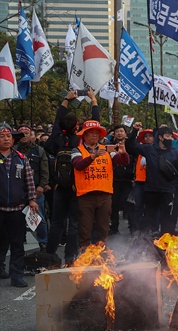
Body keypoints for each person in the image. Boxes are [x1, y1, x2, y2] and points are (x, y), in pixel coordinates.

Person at [45, 88, 100, 266]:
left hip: (59, 188)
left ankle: (50, 257)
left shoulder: (55, 139)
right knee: (74, 225)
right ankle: (70, 258)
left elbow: (56, 121)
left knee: (56, 223)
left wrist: (66, 100)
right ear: (77, 127)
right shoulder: (80, 141)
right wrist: (93, 100)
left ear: (61, 127)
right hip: (78, 188)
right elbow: (95, 125)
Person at [71, 120, 130, 248]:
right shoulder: (77, 150)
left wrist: (124, 153)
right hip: (85, 196)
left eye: (96, 133)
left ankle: (102, 257)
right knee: (85, 230)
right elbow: (78, 165)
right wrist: (93, 156)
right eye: (90, 133)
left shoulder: (107, 149)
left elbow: (123, 162)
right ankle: (84, 258)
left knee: (103, 230)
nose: (94, 135)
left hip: (105, 195)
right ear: (84, 135)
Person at [127, 123, 178, 236]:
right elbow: (130, 146)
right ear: (160, 137)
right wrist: (134, 131)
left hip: (167, 191)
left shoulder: (175, 152)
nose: (170, 139)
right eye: (167, 136)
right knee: (149, 218)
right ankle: (148, 244)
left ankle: (165, 244)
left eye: (171, 136)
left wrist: (170, 180)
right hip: (151, 191)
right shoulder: (149, 149)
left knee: (166, 219)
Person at [0, 124, 38, 287]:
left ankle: (17, 274)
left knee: (17, 243)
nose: (6, 139)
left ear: (13, 139)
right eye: (2, 136)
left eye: (9, 136)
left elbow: (29, 181)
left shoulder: (21, 158)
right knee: (1, 242)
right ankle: (1, 268)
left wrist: (32, 199)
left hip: (16, 209)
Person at [16, 125, 50, 252]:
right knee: (18, 219)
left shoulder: (39, 151)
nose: (24, 136)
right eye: (21, 133)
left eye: (27, 133)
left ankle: (43, 242)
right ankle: (20, 240)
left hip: (36, 190)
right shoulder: (13, 150)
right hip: (17, 191)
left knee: (39, 217)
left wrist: (41, 186)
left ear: (32, 135)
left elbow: (45, 170)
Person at [109, 125, 135, 235]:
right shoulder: (110, 146)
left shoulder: (130, 145)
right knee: (113, 205)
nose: (119, 133)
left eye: (121, 131)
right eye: (117, 131)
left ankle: (132, 228)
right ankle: (114, 228)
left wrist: (135, 130)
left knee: (128, 204)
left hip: (127, 180)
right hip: (114, 179)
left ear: (125, 133)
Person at [131, 128, 153, 237]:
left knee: (150, 207)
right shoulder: (139, 149)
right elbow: (130, 145)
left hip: (151, 183)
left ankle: (148, 229)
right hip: (139, 182)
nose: (148, 138)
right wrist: (134, 131)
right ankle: (138, 229)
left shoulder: (157, 149)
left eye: (150, 136)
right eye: (146, 136)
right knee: (138, 206)